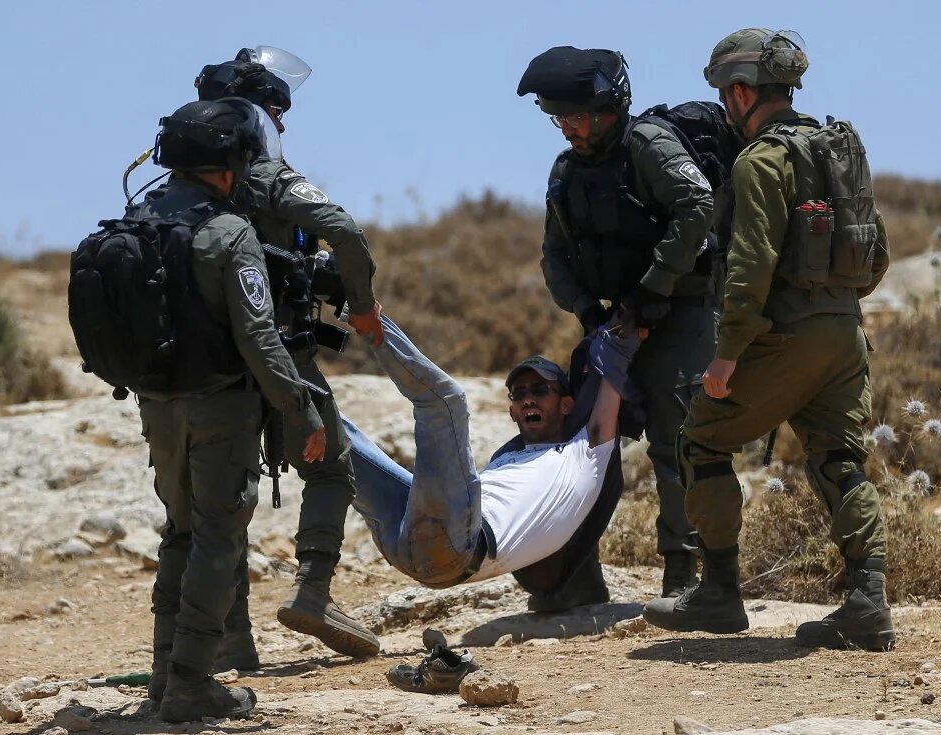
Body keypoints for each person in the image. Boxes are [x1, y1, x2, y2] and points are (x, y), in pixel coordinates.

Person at [642, 29, 894, 651]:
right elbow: (878, 254)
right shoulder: (838, 150)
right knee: (838, 458)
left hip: (782, 337)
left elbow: (749, 266)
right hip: (843, 333)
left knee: (700, 440)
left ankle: (720, 594)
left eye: (726, 94)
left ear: (740, 90)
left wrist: (726, 356)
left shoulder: (760, 162)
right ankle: (868, 600)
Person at [131, 98, 325, 719]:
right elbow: (259, 337)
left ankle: (165, 676)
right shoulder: (230, 231)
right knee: (218, 538)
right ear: (227, 165)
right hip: (221, 408)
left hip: (158, 407)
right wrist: (300, 409)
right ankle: (191, 684)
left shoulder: (138, 217)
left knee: (180, 533)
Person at [194, 46, 382, 659]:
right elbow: (347, 232)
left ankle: (230, 639)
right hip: (278, 355)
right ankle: (313, 593)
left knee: (224, 498)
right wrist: (361, 302)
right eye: (279, 113)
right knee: (330, 467)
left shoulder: (175, 186)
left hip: (203, 369)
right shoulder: (265, 175)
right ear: (263, 116)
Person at [516, 46, 717, 605]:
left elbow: (696, 207)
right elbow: (554, 254)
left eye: (581, 118)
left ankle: (687, 577)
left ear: (612, 107)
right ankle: (576, 580)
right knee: (586, 447)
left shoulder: (649, 144)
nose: (572, 130)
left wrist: (654, 287)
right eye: (562, 120)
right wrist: (586, 309)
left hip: (681, 312)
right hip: (612, 323)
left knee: (678, 444)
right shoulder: (565, 170)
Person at [344, 314, 638, 592]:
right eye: (519, 394)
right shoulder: (506, 458)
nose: (528, 399)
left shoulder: (584, 453)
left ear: (566, 405)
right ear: (512, 412)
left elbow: (608, 386)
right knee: (339, 436)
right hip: (406, 543)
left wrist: (623, 344)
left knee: (447, 401)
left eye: (540, 390)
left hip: (458, 547)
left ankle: (372, 323)